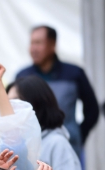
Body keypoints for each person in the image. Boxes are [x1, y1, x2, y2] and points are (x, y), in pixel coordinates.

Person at [16, 25, 99, 159]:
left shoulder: (74, 73)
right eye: (32, 43)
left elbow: (92, 110)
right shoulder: (22, 76)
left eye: (38, 43)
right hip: (31, 151)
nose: (33, 48)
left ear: (52, 45)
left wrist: (78, 135)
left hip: (69, 148)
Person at [7, 76, 82, 170]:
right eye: (9, 103)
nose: (11, 109)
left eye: (17, 101)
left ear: (36, 103)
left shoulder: (57, 144)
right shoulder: (17, 145)